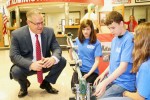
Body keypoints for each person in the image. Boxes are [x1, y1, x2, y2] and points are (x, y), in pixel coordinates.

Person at [9, 9, 66, 98]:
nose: (40, 26)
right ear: (28, 22)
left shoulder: (49, 32)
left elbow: (57, 48)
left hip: (44, 63)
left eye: (42, 22)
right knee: (15, 71)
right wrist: (31, 64)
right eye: (37, 24)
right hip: (27, 65)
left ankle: (46, 83)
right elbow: (14, 55)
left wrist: (52, 58)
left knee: (61, 61)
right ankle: (24, 86)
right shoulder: (17, 34)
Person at [99, 22, 150, 100]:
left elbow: (141, 97)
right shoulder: (114, 40)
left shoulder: (145, 66)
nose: (133, 39)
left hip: (126, 85)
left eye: (136, 36)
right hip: (118, 81)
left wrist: (126, 93)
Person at [93, 11, 136, 99]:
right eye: (109, 28)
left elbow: (122, 67)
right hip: (113, 79)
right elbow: (113, 62)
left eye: (113, 28)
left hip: (124, 83)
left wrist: (105, 83)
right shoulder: (114, 40)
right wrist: (103, 74)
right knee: (94, 93)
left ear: (121, 23)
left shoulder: (129, 39)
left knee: (101, 98)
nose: (111, 31)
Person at [68, 19, 102, 89]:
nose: (85, 31)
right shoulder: (77, 40)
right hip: (79, 70)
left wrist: (88, 74)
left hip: (91, 72)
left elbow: (97, 61)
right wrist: (70, 48)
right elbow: (72, 58)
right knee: (75, 88)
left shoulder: (96, 43)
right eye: (83, 29)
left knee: (85, 89)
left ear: (91, 30)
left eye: (88, 29)